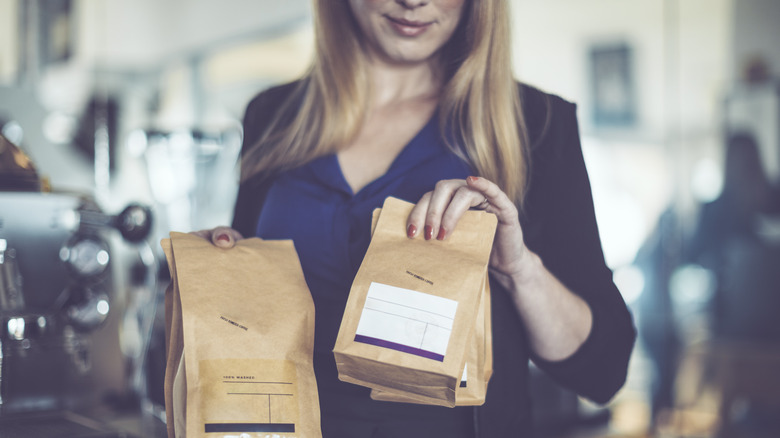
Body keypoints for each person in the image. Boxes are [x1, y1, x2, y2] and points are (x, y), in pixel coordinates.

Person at [193, 0, 635, 436]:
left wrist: (518, 269)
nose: (413, 1)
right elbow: (249, 319)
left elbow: (603, 372)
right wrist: (226, 263)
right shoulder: (272, 115)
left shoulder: (534, 123)